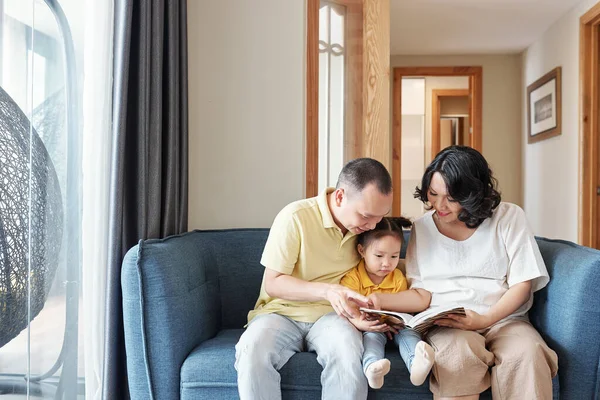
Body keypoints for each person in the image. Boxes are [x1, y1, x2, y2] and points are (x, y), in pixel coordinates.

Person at [370, 146, 558, 400]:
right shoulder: (422, 228)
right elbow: (421, 291)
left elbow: (522, 284)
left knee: (528, 353)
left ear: (473, 194)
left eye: (451, 197)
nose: (439, 205)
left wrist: (484, 319)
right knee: (456, 357)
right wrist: (380, 302)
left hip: (505, 319)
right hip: (448, 324)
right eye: (433, 194)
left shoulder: (509, 216)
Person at [234, 158, 394, 400]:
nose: (373, 225)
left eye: (380, 218)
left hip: (333, 317)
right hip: (280, 313)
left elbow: (389, 269)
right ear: (340, 197)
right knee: (252, 350)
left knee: (348, 352)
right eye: (366, 216)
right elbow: (273, 282)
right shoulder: (295, 217)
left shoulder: (367, 231)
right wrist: (327, 291)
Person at [340, 216, 434, 389]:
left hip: (396, 327)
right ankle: (372, 368)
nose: (387, 263)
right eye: (379, 256)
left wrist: (396, 321)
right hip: (371, 327)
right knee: (372, 338)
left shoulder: (397, 277)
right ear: (361, 250)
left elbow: (403, 308)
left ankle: (416, 365)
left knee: (409, 334)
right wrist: (364, 323)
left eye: (394, 256)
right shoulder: (353, 278)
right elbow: (348, 310)